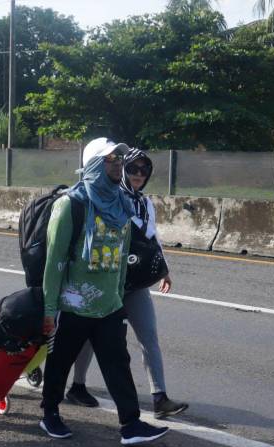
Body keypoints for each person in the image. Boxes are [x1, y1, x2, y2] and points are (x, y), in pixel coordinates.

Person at [38, 137, 168, 445]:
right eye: (111, 160)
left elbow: (122, 256)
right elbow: (55, 260)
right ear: (96, 165)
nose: (119, 165)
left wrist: (119, 295)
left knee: (117, 362)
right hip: (73, 302)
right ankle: (50, 414)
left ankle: (131, 424)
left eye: (119, 160)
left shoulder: (121, 204)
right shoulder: (70, 204)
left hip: (109, 303)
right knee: (60, 361)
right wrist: (48, 309)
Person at [64, 144, 189, 420]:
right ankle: (77, 386)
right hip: (108, 279)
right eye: (132, 168)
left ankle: (159, 398)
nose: (138, 174)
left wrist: (164, 268)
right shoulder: (111, 196)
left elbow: (152, 237)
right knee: (88, 336)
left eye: (144, 170)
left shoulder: (145, 203)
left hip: (135, 282)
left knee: (149, 338)